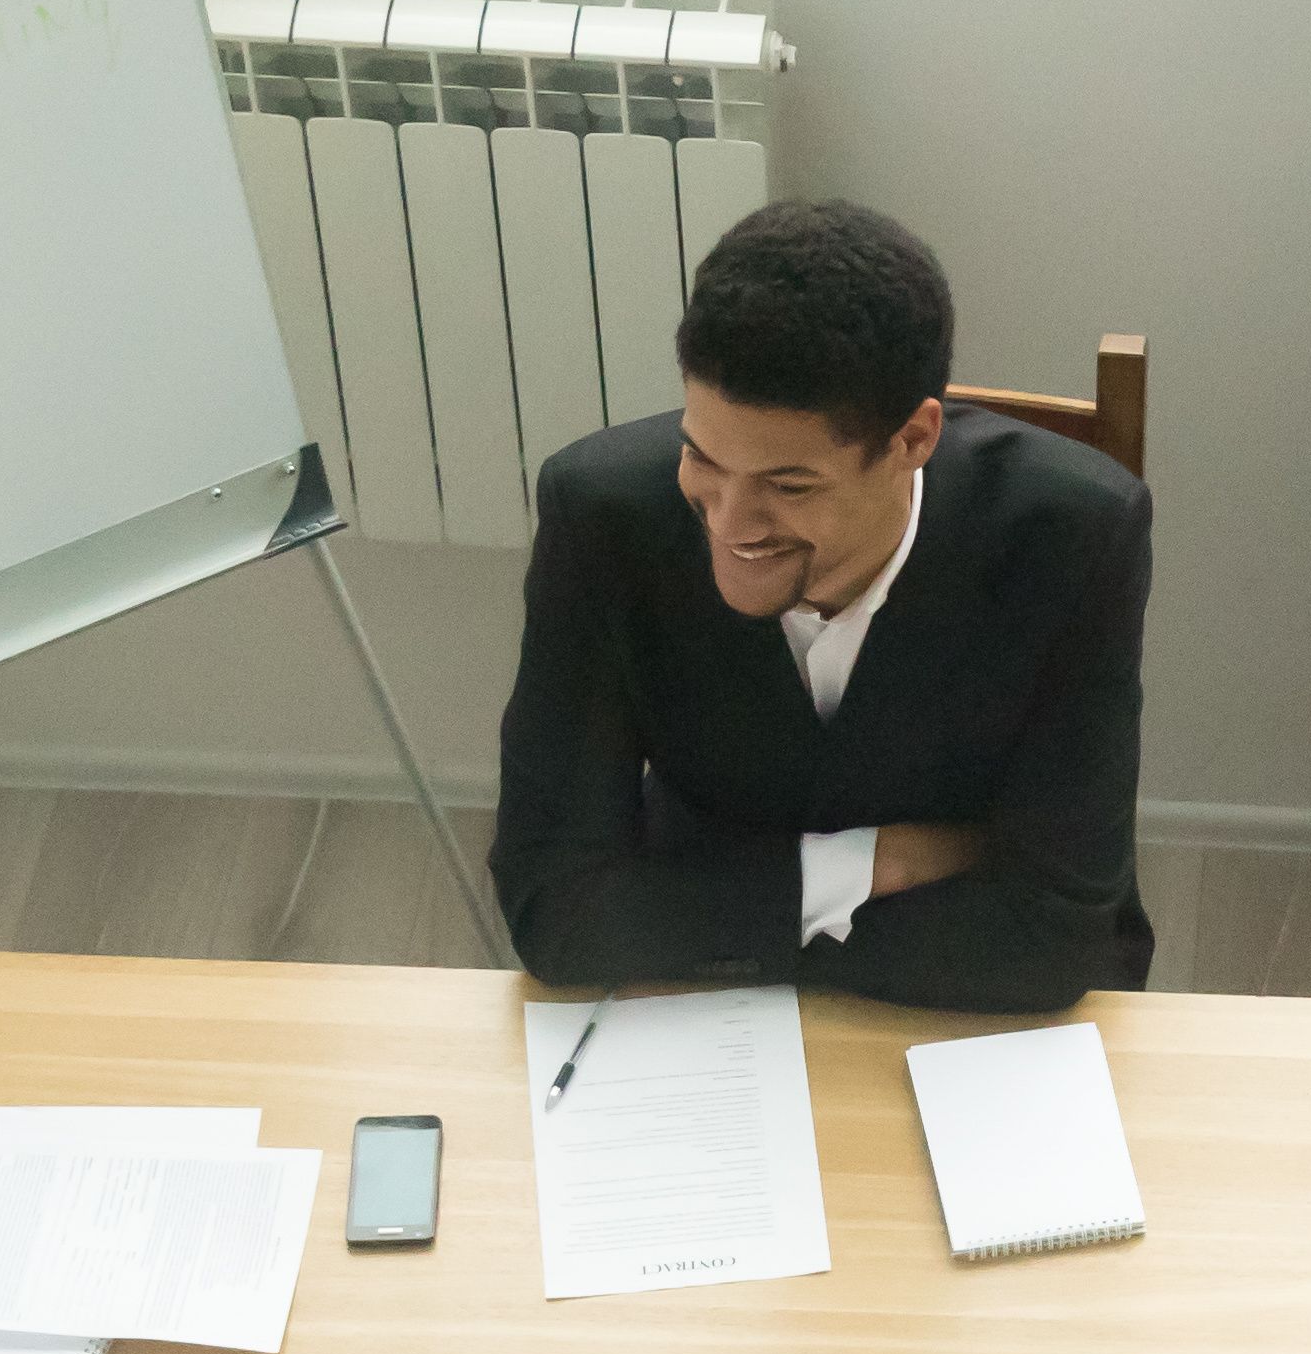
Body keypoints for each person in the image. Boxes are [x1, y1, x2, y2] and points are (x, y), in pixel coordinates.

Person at [491, 200, 1152, 1015]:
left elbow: (1050, 942)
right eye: (703, 458)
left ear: (914, 441)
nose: (729, 527)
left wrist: (716, 921)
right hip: (721, 1017)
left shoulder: (1074, 535)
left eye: (788, 485)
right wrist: (871, 869)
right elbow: (553, 909)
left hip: (977, 1028)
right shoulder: (599, 511)